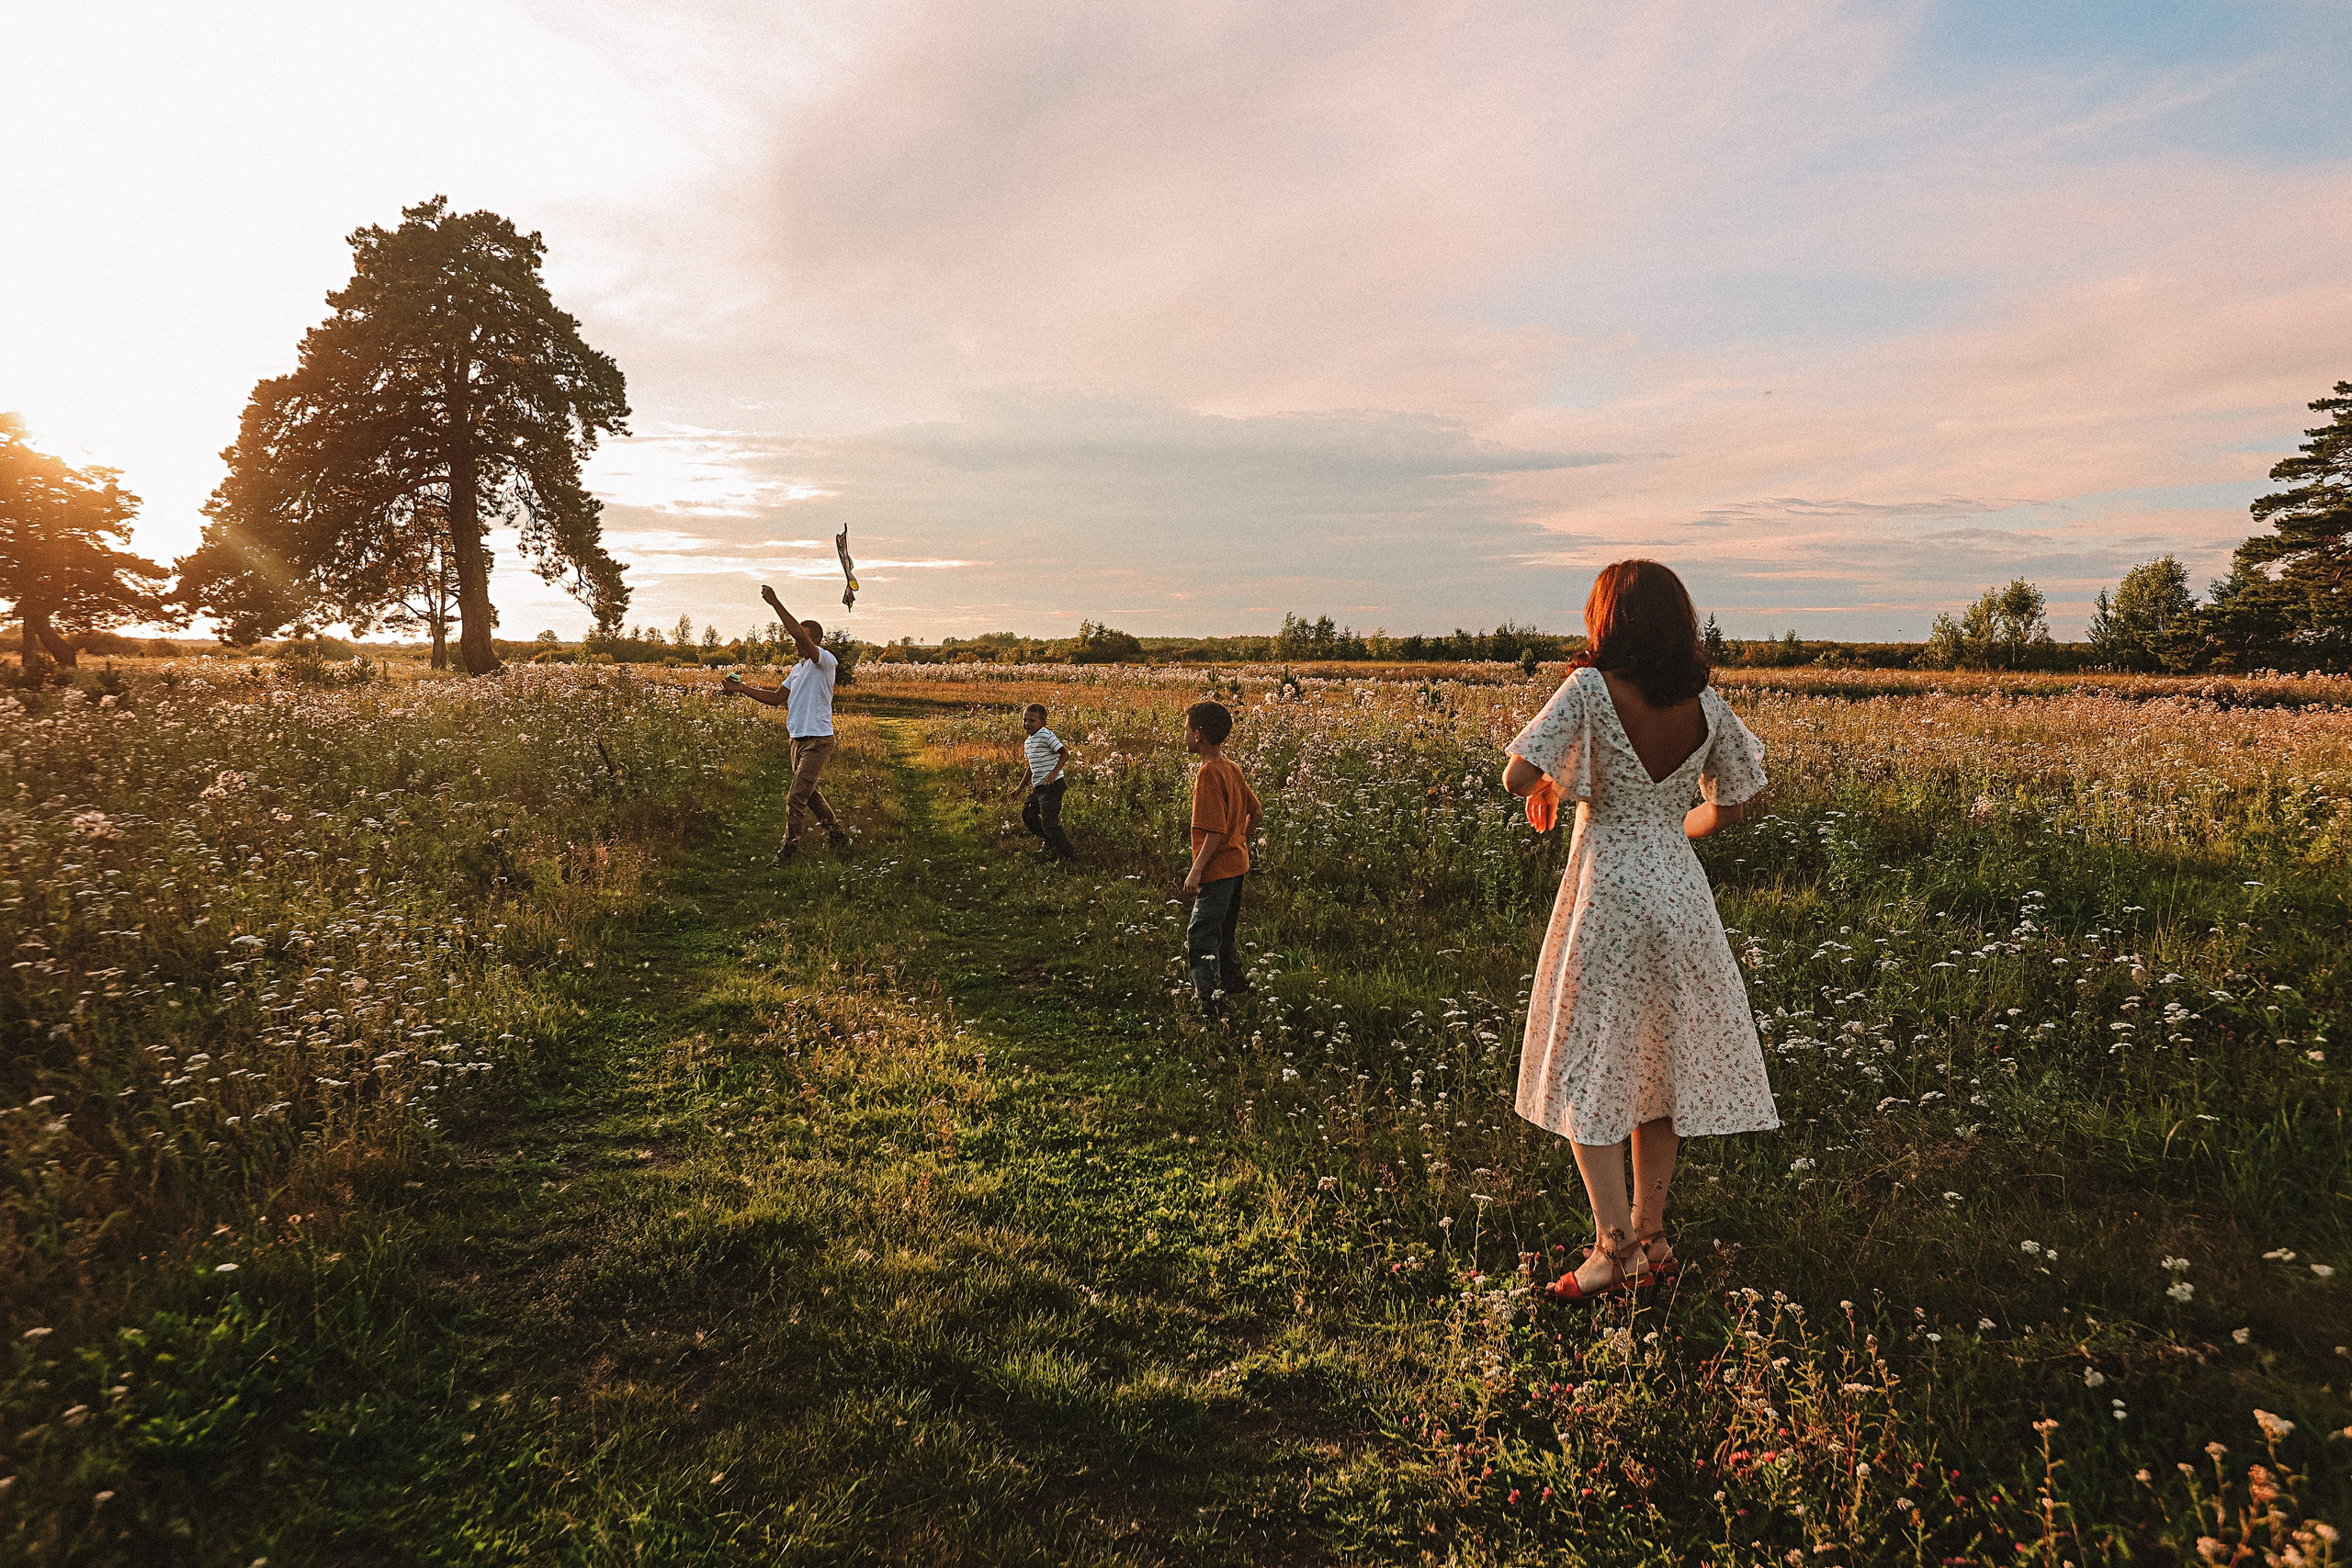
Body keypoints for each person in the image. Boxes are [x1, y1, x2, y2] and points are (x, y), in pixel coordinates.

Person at [1500, 559, 1777, 1303]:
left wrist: (1563, 778)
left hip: (1608, 896)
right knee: (1660, 1066)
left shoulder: (1590, 688)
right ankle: (1651, 1235)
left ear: (1610, 620)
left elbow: (1516, 778)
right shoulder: (1705, 705)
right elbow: (1731, 806)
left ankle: (1613, 1248)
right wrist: (1669, 828)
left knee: (1589, 1064)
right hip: (1680, 894)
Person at [720, 583, 850, 864]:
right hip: (798, 739)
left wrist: (776, 603)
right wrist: (742, 688)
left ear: (813, 639)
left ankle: (788, 850)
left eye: (801, 637)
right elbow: (777, 698)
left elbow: (798, 636)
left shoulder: (823, 660)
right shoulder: (798, 668)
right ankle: (837, 834)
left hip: (818, 740)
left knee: (796, 798)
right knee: (809, 793)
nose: (795, 642)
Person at [1181, 700, 1261, 1021]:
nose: (1183, 735)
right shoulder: (1231, 767)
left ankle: (1210, 1006)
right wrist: (1238, 840)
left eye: (1186, 729)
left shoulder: (1209, 773)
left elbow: (1213, 832)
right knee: (1225, 931)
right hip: (1237, 865)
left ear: (1199, 735)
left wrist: (1195, 873)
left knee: (1200, 937)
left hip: (1217, 871)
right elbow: (1255, 812)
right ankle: (1235, 984)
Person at [1012, 702, 1078, 858]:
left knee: (1049, 824)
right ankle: (1050, 841)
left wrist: (1055, 772)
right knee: (1028, 815)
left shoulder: (1047, 735)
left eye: (1032, 720)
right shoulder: (1028, 742)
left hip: (1053, 787)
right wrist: (1019, 789)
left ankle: (1069, 855)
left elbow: (1064, 754)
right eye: (1024, 720)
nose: (1027, 724)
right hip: (1039, 788)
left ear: (1043, 722)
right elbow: (1030, 768)